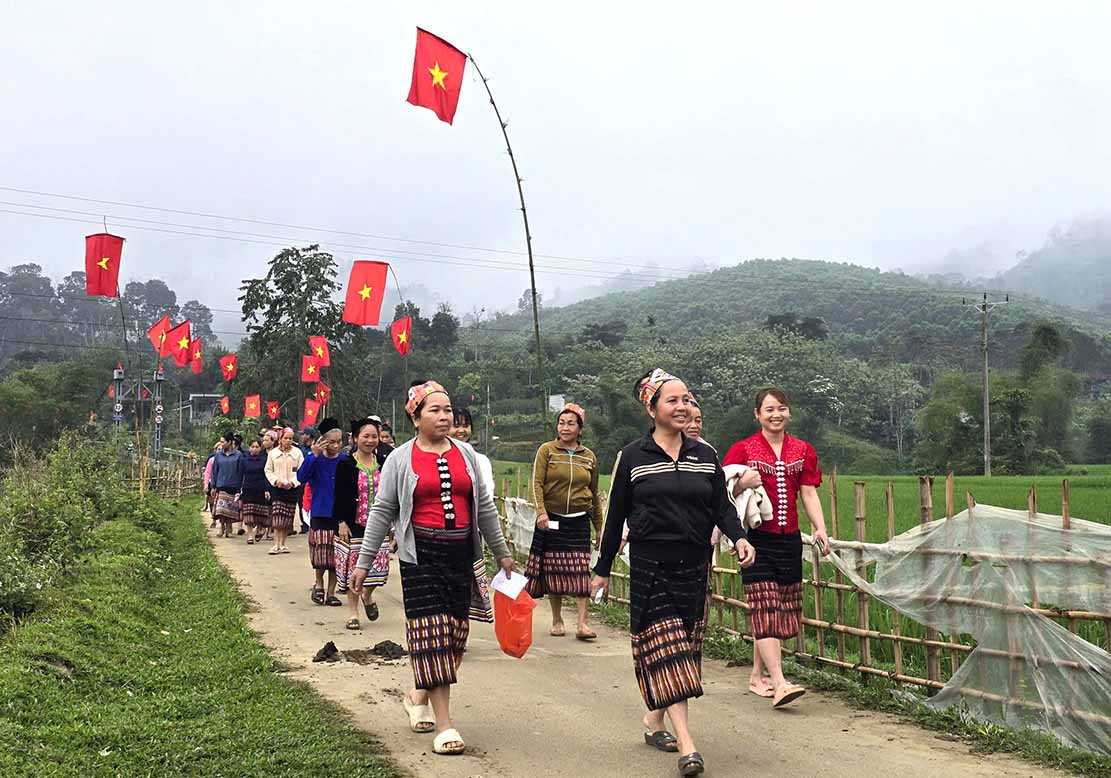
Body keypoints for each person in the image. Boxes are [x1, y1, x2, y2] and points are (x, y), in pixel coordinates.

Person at [591, 369, 755, 778]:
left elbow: (721, 506)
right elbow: (615, 518)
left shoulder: (705, 455)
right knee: (670, 650)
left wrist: (739, 538)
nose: (683, 407)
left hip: (695, 566)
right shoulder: (633, 457)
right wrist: (603, 568)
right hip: (652, 568)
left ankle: (653, 721)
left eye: (688, 399)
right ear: (651, 408)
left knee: (684, 652)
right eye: (673, 401)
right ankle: (688, 745)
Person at [351, 380, 513, 757]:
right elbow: (382, 511)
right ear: (415, 417)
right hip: (419, 556)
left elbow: (484, 508)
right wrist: (363, 561)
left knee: (456, 636)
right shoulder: (400, 459)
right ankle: (445, 724)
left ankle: (417, 694)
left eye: (447, 410)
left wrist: (501, 553)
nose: (444, 417)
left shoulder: (467, 455)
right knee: (432, 635)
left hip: (461, 555)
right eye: (434, 411)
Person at [722, 387, 829, 708]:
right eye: (768, 409)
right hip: (756, 540)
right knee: (764, 607)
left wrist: (820, 528)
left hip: (789, 540)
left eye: (781, 408)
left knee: (780, 611)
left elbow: (808, 493)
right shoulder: (744, 449)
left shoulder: (802, 450)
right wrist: (744, 483)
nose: (776, 414)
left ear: (789, 412)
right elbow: (723, 490)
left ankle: (757, 676)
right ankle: (780, 682)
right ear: (757, 414)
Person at [525, 402, 602, 640]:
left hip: (579, 520)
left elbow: (594, 492)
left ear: (580, 429)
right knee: (553, 568)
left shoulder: (588, 457)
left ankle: (582, 624)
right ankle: (557, 619)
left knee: (580, 569)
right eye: (562, 422)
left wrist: (599, 527)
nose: (565, 427)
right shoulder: (547, 451)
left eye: (571, 424)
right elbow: (536, 483)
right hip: (552, 519)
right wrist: (541, 513)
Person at [333, 417, 391, 630]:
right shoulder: (345, 464)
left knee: (379, 570)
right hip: (354, 524)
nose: (370, 440)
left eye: (374, 436)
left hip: (379, 525)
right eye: (365, 436)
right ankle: (353, 613)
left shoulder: (384, 463)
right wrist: (340, 522)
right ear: (355, 438)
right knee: (354, 570)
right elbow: (338, 495)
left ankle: (368, 595)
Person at [298, 419, 346, 606]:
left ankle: (331, 592)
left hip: (340, 515)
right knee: (320, 555)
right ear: (323, 441)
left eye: (339, 441)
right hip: (320, 512)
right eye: (331, 441)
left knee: (336, 556)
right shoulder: (315, 459)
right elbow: (301, 477)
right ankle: (319, 584)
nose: (336, 445)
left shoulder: (345, 461)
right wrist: (313, 455)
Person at [265, 426, 303, 555]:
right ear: (280, 439)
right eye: (285, 438)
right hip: (278, 489)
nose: (288, 441)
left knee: (287, 518)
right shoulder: (273, 454)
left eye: (290, 439)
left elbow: (301, 471)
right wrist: (276, 481)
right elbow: (268, 470)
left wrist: (293, 482)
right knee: (277, 518)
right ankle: (276, 544)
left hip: (292, 489)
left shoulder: (297, 453)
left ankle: (283, 544)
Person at [449, 408, 494, 496]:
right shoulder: (435, 459)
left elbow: (487, 494)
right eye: (456, 426)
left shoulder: (481, 461)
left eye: (466, 426)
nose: (461, 430)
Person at [238, 439, 271, 545]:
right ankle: (250, 535)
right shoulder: (244, 459)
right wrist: (238, 490)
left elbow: (267, 475)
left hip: (260, 488)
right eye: (252, 446)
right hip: (248, 488)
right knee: (248, 513)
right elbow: (240, 475)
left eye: (257, 447)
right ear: (249, 448)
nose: (254, 449)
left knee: (259, 513)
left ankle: (259, 530)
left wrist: (267, 489)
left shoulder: (264, 459)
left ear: (260, 448)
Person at [210, 437, 243, 538]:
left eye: (223, 442)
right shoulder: (218, 455)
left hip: (233, 485)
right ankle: (221, 527)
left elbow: (240, 471)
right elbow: (214, 471)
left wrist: (240, 486)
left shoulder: (238, 455)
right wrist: (213, 486)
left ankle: (229, 527)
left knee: (230, 509)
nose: (221, 444)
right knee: (221, 509)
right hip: (221, 485)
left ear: (229, 442)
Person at [296, 425, 318, 535]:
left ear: (308, 435)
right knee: (301, 502)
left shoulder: (317, 449)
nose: (302, 437)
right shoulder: (301, 449)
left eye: (303, 434)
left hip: (313, 481)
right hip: (302, 480)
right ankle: (304, 523)